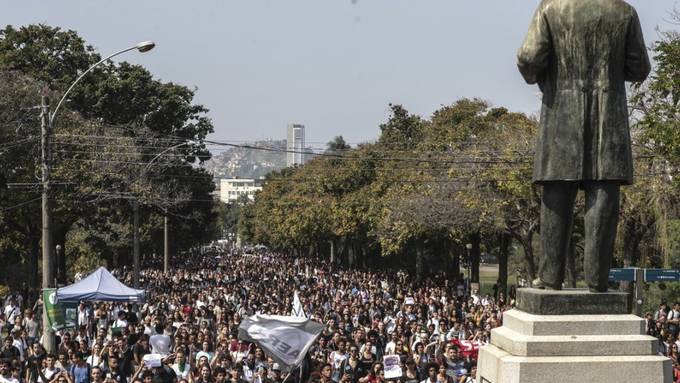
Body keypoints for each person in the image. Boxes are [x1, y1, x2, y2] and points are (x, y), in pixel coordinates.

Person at [517, 0, 651, 292]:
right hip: (609, 115)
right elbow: (639, 67)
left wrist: (543, 78)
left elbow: (528, 58)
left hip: (561, 114)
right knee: (604, 193)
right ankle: (597, 281)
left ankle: (550, 278)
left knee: (556, 192)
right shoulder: (624, 12)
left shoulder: (551, 8)